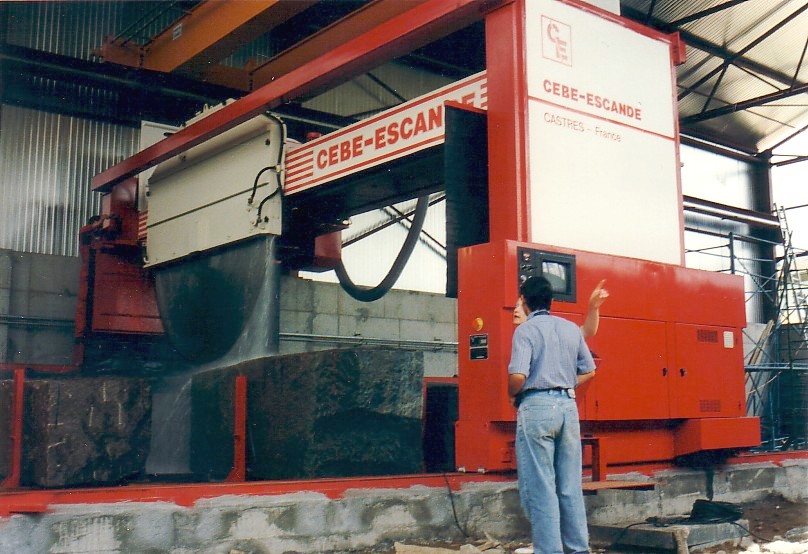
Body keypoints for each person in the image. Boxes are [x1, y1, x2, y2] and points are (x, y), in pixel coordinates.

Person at [508, 276, 599, 554]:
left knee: (541, 486)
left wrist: (513, 394)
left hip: (536, 407)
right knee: (570, 485)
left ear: (525, 300)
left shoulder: (525, 331)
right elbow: (590, 370)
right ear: (551, 300)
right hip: (568, 409)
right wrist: (564, 384)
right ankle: (578, 549)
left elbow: (518, 376)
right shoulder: (570, 328)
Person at [513, 279, 609, 339]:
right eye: (516, 306)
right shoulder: (522, 334)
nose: (516, 310)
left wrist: (593, 307)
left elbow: (588, 331)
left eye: (521, 305)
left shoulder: (556, 332)